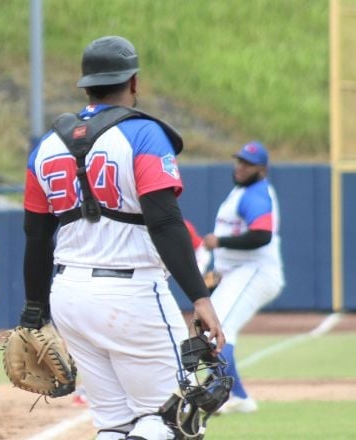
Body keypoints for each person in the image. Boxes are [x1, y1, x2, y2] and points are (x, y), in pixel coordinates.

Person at [21, 35, 225, 440]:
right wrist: (200, 297)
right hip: (132, 296)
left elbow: (36, 237)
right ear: (133, 82)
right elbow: (165, 223)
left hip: (69, 297)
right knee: (170, 419)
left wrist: (34, 310)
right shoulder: (144, 134)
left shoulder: (45, 146)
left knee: (114, 424)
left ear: (86, 85)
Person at [202, 141, 285, 414]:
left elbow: (262, 235)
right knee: (216, 328)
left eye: (248, 163)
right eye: (239, 161)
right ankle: (234, 394)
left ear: (262, 169)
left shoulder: (256, 194)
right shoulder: (241, 191)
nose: (240, 167)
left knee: (220, 329)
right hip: (238, 271)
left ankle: (225, 394)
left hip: (255, 271)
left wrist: (220, 242)